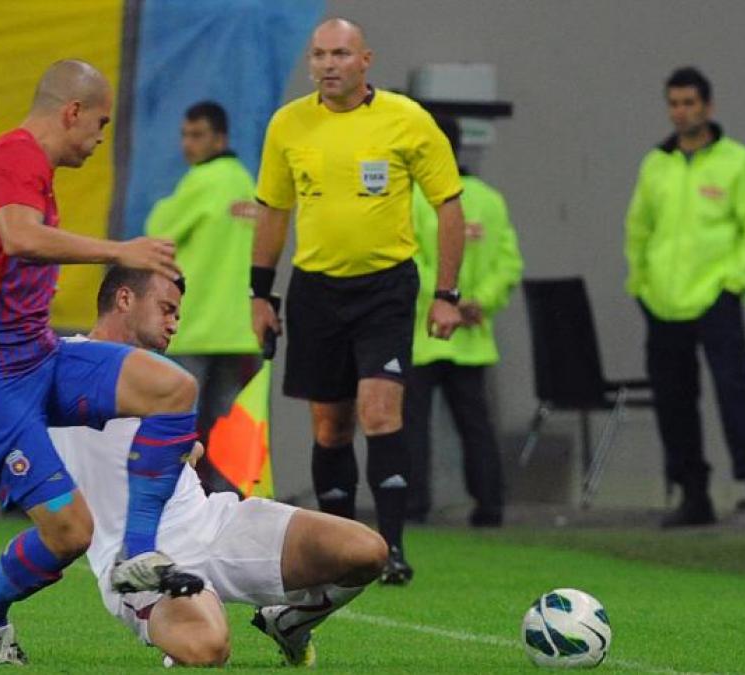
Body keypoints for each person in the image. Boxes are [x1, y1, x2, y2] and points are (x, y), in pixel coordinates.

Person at [0, 59, 205, 664]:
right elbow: (22, 239)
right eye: (100, 124)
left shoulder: (14, 163)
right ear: (71, 111)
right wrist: (119, 250)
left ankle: (136, 557)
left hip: (39, 358)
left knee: (173, 389)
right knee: (71, 534)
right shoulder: (17, 155)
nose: (101, 138)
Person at [49, 266, 387, 667]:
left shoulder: (166, 380)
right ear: (125, 299)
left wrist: (185, 453)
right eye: (166, 309)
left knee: (366, 551)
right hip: (138, 559)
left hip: (214, 522)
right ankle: (184, 622)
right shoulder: (59, 363)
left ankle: (291, 623)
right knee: (208, 650)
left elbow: (160, 449)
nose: (174, 322)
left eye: (177, 313)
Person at [250, 17, 465, 585]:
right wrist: (260, 294)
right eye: (319, 55)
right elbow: (274, 209)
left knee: (379, 411)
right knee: (331, 428)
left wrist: (447, 293)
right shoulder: (289, 124)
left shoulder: (406, 119)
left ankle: (391, 548)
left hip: (386, 287)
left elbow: (448, 203)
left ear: (365, 60)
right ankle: (343, 550)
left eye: (340, 54)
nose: (328, 64)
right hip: (316, 289)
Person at [625, 67, 745, 529]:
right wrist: (640, 283)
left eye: (690, 103)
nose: (681, 112)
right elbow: (638, 230)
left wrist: (731, 283)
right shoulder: (656, 164)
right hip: (662, 301)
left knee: (734, 394)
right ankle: (693, 494)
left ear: (709, 107)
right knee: (674, 402)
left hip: (716, 297)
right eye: (674, 103)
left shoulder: (738, 163)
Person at [403, 113, 522, 527]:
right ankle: (489, 506)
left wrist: (442, 300)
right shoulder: (489, 199)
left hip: (424, 331)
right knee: (476, 424)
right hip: (472, 334)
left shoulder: (414, 198)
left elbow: (407, 261)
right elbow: (508, 263)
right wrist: (477, 303)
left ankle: (414, 506)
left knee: (414, 425)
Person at [145, 101, 262, 495]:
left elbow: (158, 230)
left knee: (177, 423)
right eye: (185, 135)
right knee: (230, 427)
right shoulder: (247, 183)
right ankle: (229, 503)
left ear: (220, 138)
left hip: (195, 324)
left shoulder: (201, 181)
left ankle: (173, 498)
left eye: (196, 135)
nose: (187, 145)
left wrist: (163, 207)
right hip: (239, 331)